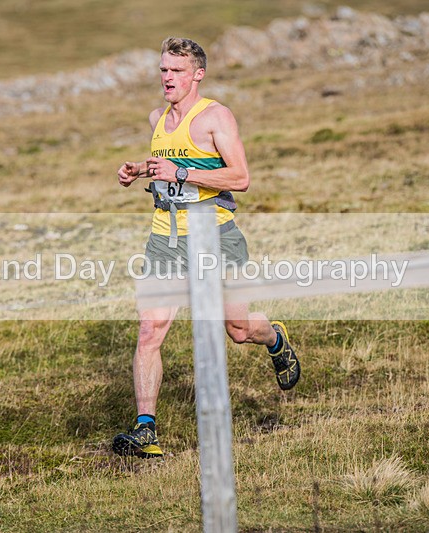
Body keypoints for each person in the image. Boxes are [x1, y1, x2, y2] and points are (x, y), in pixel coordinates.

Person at [113, 37, 300, 458]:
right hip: (166, 237)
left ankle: (274, 339)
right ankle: (146, 430)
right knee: (150, 330)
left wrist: (180, 171)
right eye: (163, 69)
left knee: (237, 329)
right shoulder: (156, 118)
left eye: (176, 71)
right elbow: (170, 172)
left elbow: (239, 178)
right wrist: (141, 170)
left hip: (216, 235)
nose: (167, 78)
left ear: (197, 74)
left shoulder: (216, 117)